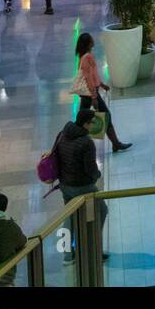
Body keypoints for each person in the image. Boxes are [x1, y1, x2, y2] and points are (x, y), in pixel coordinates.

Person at [54, 108, 108, 266]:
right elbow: (90, 169)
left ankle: (67, 256)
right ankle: (93, 251)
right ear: (86, 123)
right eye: (92, 123)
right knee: (100, 212)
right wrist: (96, 176)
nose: (93, 126)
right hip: (82, 186)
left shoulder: (63, 134)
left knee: (69, 217)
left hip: (65, 185)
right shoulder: (86, 142)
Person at [74, 33, 132, 152]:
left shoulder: (83, 57)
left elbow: (92, 76)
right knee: (106, 116)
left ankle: (114, 143)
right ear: (88, 43)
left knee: (82, 119)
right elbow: (88, 78)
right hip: (90, 94)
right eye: (91, 39)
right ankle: (116, 143)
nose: (93, 40)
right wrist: (94, 97)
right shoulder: (88, 57)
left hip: (88, 94)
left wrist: (101, 84)